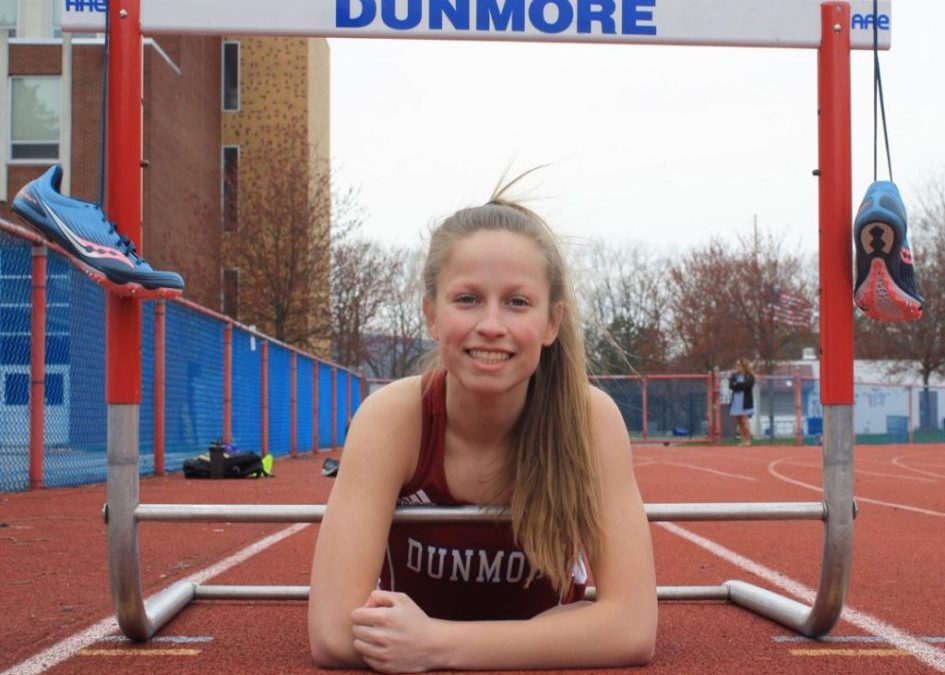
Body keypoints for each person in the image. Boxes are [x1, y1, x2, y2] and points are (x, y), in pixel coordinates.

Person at [307, 178, 657, 672]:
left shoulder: (590, 419)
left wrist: (437, 645)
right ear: (431, 314)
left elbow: (632, 629)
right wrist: (561, 635)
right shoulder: (392, 418)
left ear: (552, 323)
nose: (491, 324)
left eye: (517, 302)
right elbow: (332, 633)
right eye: (468, 299)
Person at [728, 359, 755, 446]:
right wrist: (738, 385)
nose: (737, 367)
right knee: (739, 420)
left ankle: (748, 439)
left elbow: (747, 385)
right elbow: (731, 385)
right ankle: (743, 440)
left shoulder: (749, 376)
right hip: (736, 400)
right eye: (737, 366)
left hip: (745, 401)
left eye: (739, 366)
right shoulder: (734, 376)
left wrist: (738, 385)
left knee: (744, 419)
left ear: (744, 367)